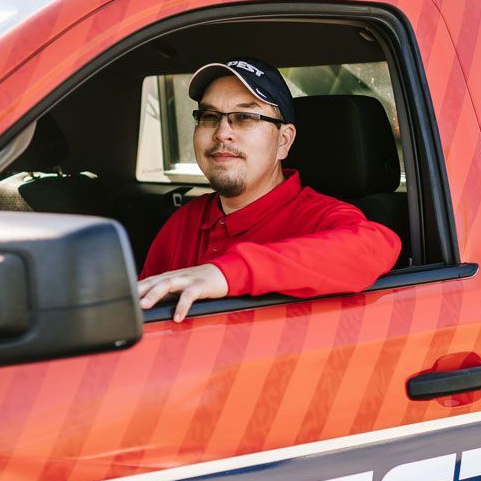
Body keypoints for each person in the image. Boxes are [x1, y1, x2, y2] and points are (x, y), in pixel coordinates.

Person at [138, 58, 401, 321]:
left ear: (284, 141)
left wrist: (226, 273)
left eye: (244, 117)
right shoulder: (184, 221)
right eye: (209, 116)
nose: (222, 133)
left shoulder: (320, 217)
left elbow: (376, 246)